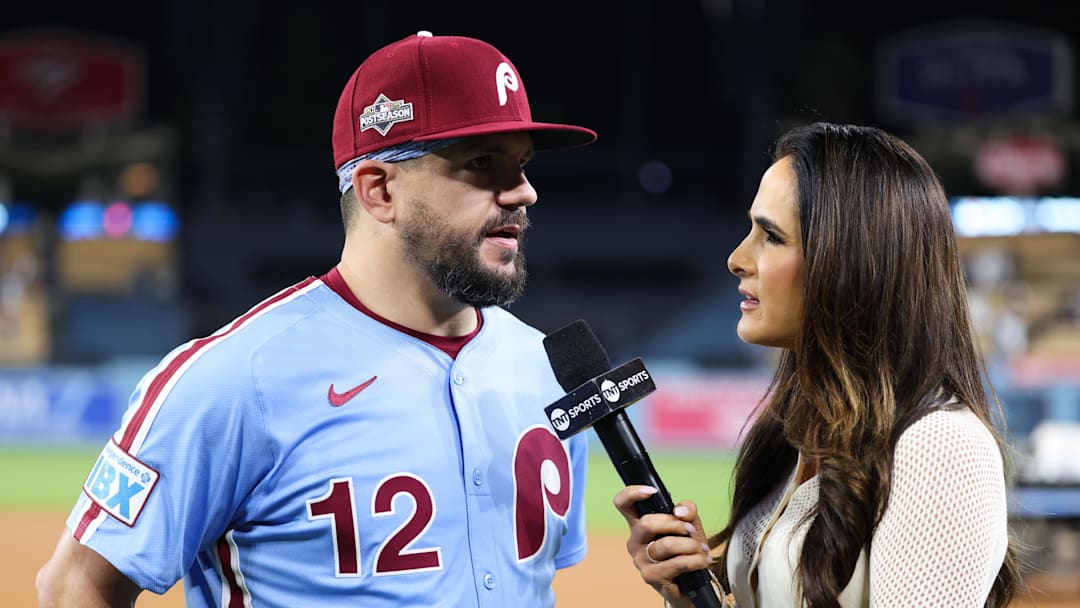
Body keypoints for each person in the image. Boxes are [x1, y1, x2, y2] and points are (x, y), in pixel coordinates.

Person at [36, 31, 596, 607]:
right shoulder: (236, 377)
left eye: (522, 163)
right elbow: (73, 588)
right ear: (379, 190)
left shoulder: (544, 366)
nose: (523, 191)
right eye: (483, 163)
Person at [613, 122, 1021, 607]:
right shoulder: (797, 433)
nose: (736, 258)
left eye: (771, 236)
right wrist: (691, 595)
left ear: (850, 264)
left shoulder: (940, 444)